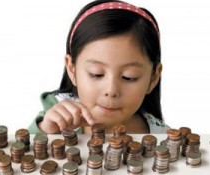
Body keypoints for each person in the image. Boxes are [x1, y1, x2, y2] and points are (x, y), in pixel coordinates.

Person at [28, 0, 170, 134]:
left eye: (129, 77)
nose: (111, 90)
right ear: (72, 69)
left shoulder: (165, 138)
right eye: (96, 74)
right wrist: (44, 132)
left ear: (153, 77)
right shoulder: (53, 118)